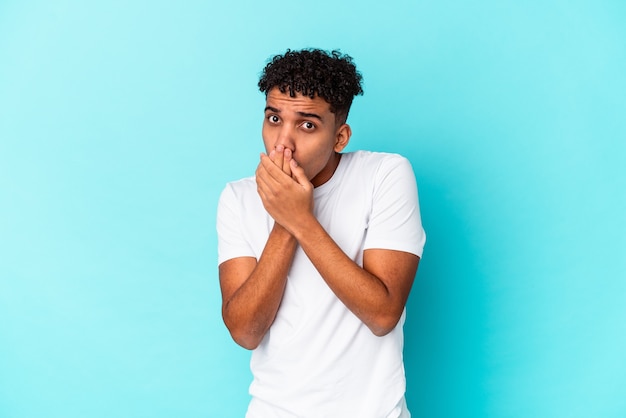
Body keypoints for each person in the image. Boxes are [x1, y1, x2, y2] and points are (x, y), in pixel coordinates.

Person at [217, 48, 426, 418]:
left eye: (307, 124)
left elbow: (382, 315)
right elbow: (245, 332)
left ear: (340, 136)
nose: (283, 143)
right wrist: (285, 220)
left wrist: (300, 218)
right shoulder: (238, 197)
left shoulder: (384, 176)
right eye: (273, 118)